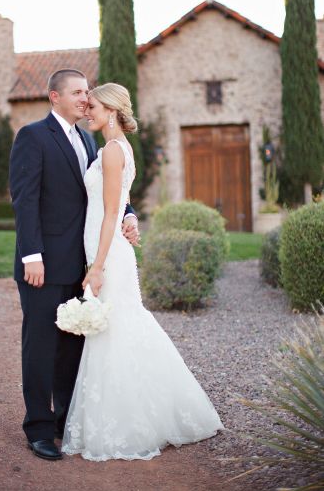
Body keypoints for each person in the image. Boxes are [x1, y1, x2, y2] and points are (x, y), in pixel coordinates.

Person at [62, 82, 224, 461]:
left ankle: (129, 422)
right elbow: (122, 205)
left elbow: (109, 214)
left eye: (95, 106)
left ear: (114, 110)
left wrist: (97, 266)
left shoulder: (114, 151)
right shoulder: (113, 148)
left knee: (117, 326)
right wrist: (126, 221)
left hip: (109, 252)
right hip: (106, 245)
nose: (88, 110)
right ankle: (136, 413)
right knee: (117, 326)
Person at [9, 69, 139, 461]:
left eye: (87, 92)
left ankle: (66, 420)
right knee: (40, 346)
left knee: (73, 348)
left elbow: (105, 195)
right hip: (44, 264)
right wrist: (32, 254)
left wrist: (128, 215)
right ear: (55, 97)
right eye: (78, 92)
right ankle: (38, 428)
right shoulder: (32, 136)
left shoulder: (89, 140)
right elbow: (24, 198)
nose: (86, 98)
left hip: (83, 265)